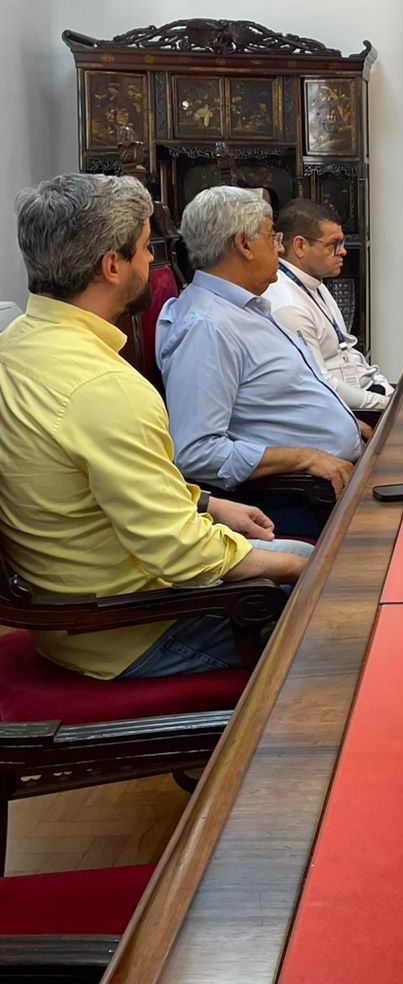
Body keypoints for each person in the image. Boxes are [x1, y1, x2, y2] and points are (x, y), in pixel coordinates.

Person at [0, 173, 311, 681]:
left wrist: (208, 503)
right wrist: (300, 570)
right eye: (146, 249)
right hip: (129, 629)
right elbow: (181, 554)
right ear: (111, 266)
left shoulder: (16, 342)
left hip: (69, 611)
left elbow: (97, 486)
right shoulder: (103, 386)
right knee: (336, 598)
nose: (152, 262)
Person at [157, 186, 363, 515]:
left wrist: (348, 423)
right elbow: (196, 452)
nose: (280, 248)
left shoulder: (246, 307)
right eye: (272, 237)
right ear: (243, 244)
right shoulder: (207, 326)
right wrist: (305, 457)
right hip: (294, 500)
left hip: (337, 477)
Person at [264, 198, 392, 413]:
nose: (343, 251)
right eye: (334, 244)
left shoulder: (315, 283)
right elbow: (318, 381)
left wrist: (386, 389)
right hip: (340, 409)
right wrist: (384, 403)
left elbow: (347, 348)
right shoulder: (288, 305)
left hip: (359, 394)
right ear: (300, 246)